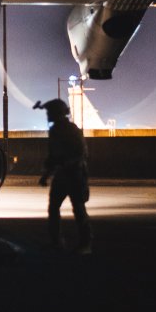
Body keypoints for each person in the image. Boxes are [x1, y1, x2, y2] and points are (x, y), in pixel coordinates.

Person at [36, 98, 93, 254]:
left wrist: (63, 165)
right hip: (63, 175)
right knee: (54, 208)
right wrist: (46, 174)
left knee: (78, 209)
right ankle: (57, 242)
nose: (48, 115)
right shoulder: (56, 130)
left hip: (74, 174)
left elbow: (81, 153)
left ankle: (85, 244)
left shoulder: (70, 130)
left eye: (50, 112)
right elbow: (52, 156)